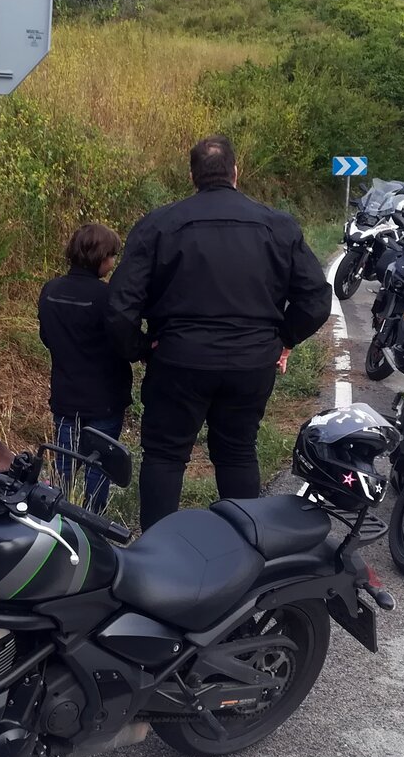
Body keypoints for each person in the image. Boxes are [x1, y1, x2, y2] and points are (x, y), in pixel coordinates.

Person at [107, 135, 332, 530]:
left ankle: (159, 557)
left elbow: (119, 308)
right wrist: (283, 339)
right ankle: (243, 548)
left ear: (192, 175)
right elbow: (315, 301)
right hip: (251, 362)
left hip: (179, 360)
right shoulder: (278, 226)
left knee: (165, 455)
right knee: (237, 452)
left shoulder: (158, 226)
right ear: (235, 172)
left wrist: (142, 348)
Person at [38, 222, 133, 512]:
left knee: (63, 469)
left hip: (66, 397)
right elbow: (124, 343)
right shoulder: (106, 297)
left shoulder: (51, 290)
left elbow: (46, 337)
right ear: (101, 257)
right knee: (99, 469)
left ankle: (56, 520)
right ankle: (93, 526)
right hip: (104, 400)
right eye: (111, 256)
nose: (113, 262)